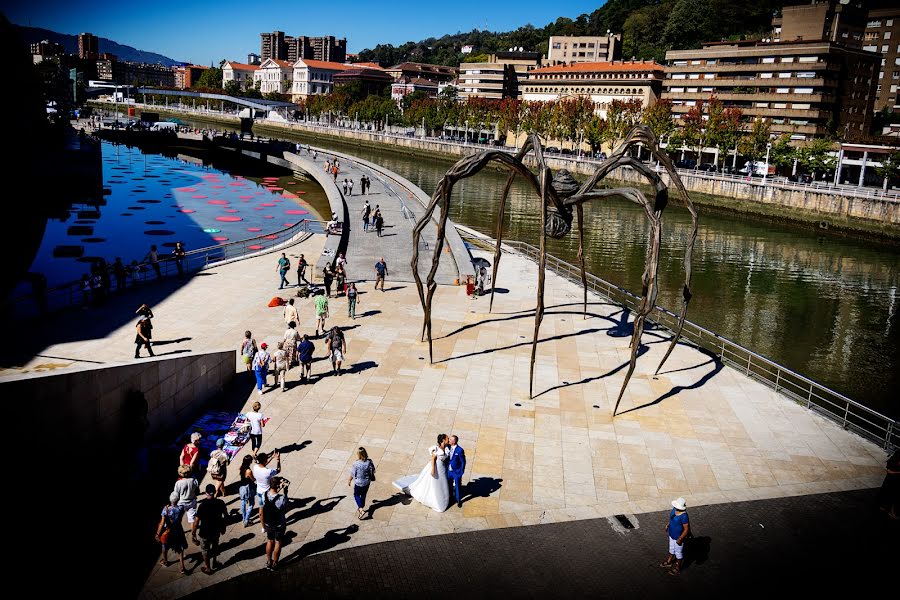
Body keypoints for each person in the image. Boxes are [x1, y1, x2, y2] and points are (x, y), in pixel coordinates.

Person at [392, 434, 450, 512]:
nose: (448, 440)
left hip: (442, 468)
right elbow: (433, 459)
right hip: (437, 468)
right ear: (443, 440)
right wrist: (433, 469)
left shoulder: (446, 448)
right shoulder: (437, 449)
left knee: (442, 483)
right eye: (447, 438)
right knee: (435, 483)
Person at [192, 484, 228, 574]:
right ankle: (214, 562)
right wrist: (223, 527)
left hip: (204, 532)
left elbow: (196, 522)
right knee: (215, 547)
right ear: (215, 492)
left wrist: (193, 533)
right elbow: (226, 516)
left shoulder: (202, 506)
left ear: (206, 493)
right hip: (216, 530)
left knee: (205, 550)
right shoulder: (220, 503)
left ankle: (208, 568)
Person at [260, 476, 289, 572]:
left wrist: (263, 525)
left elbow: (261, 512)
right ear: (278, 486)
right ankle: (275, 562)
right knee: (278, 542)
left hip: (268, 523)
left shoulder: (263, 496)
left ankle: (268, 561)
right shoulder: (282, 498)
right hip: (279, 524)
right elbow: (286, 508)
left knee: (269, 541)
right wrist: (285, 492)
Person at [156, 492, 188, 574]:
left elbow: (162, 523)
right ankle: (182, 567)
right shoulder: (181, 508)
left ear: (170, 499)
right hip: (178, 529)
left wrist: (157, 534)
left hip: (169, 530)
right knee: (180, 548)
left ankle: (165, 561)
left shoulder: (166, 509)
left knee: (164, 545)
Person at [660, 497, 690, 575]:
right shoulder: (674, 509)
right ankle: (669, 561)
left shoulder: (684, 516)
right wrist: (668, 525)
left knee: (678, 553)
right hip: (671, 534)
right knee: (671, 548)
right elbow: (671, 519)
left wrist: (680, 538)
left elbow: (686, 529)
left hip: (678, 537)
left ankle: (678, 567)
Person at [348, 447, 376, 520]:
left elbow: (353, 473)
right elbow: (373, 470)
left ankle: (360, 509)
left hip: (358, 483)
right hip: (366, 482)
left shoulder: (356, 464)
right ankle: (362, 505)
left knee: (356, 495)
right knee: (363, 494)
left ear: (358, 454)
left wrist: (349, 480)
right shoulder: (369, 462)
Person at [877, 448, 900, 520]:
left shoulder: (897, 453)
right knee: (893, 495)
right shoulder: (897, 454)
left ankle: (886, 507)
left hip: (893, 478)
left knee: (890, 493)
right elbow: (890, 469)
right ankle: (891, 511)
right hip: (893, 479)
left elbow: (890, 467)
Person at [446, 434, 466, 508]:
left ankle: (458, 500)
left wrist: (461, 472)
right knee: (449, 485)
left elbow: (463, 461)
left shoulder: (460, 450)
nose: (449, 440)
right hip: (449, 471)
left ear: (454, 441)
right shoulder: (447, 446)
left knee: (457, 486)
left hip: (456, 472)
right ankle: (451, 497)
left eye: (451, 440)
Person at [238, 454, 256, 527]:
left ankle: (243, 518)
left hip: (242, 487)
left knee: (243, 502)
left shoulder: (241, 467)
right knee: (251, 503)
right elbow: (253, 479)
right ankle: (246, 519)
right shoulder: (248, 471)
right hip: (248, 488)